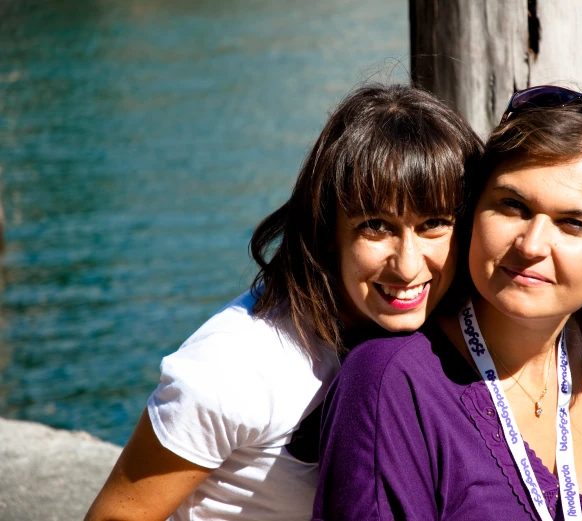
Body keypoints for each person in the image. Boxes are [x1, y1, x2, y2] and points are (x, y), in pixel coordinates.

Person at [84, 84, 483, 521]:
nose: (408, 267)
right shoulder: (233, 368)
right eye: (376, 226)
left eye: (433, 224)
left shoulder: (453, 322)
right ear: (329, 230)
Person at [314, 86, 582, 521]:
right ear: (473, 209)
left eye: (573, 224)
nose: (532, 245)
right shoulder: (391, 383)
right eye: (513, 206)